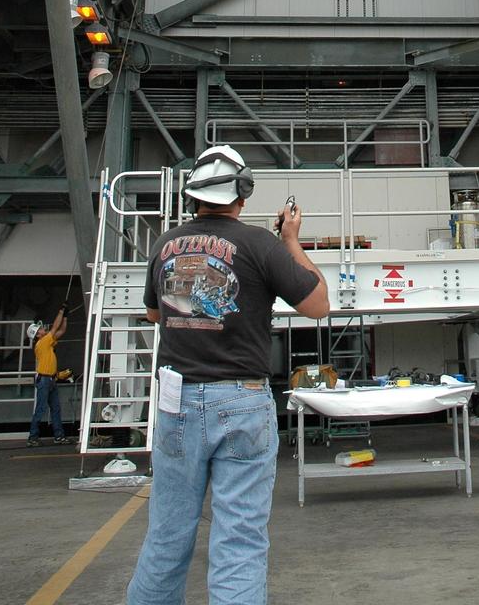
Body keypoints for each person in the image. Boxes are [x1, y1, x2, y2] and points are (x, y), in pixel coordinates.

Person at [127, 145, 330, 605]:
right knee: (238, 539)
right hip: (241, 400)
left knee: (166, 533)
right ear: (243, 192)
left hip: (176, 401)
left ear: (193, 193)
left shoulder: (164, 245)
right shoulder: (262, 244)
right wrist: (291, 241)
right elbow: (318, 305)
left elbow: (155, 314)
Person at [26, 304, 70, 445]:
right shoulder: (43, 343)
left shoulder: (46, 343)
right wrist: (61, 311)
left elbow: (61, 330)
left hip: (50, 380)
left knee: (54, 408)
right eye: (40, 329)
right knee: (42, 408)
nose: (43, 328)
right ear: (38, 334)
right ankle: (33, 437)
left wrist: (65, 316)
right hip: (45, 380)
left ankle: (58, 436)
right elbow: (56, 328)